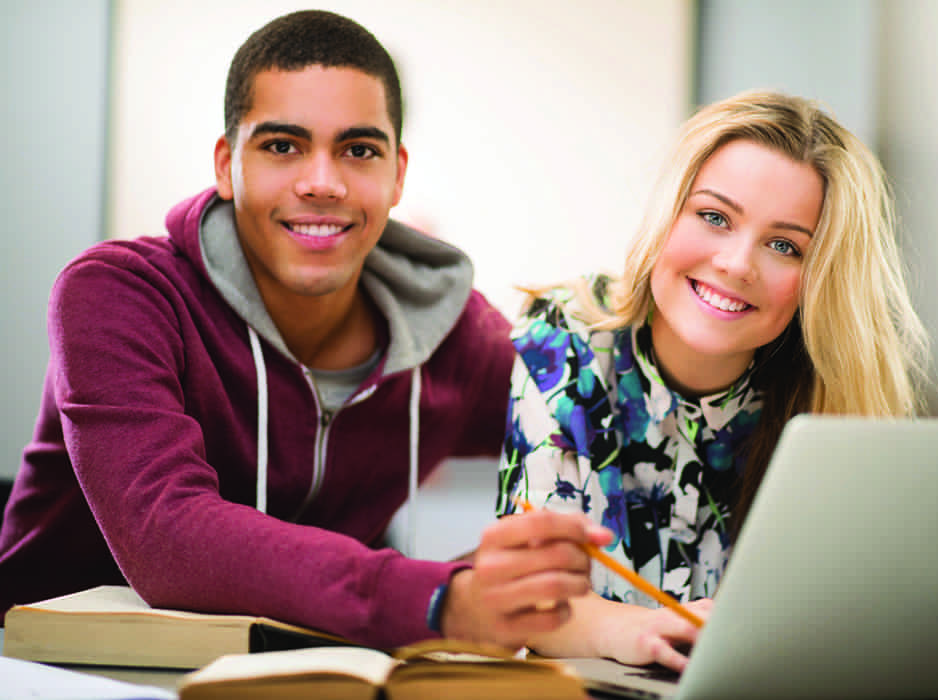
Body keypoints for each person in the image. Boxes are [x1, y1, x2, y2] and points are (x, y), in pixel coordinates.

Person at [0, 9, 611, 651]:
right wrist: (440, 598)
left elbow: (603, 436)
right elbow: (165, 534)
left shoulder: (457, 342)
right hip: (53, 668)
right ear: (225, 164)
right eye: (282, 146)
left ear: (397, 174)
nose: (321, 182)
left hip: (300, 671)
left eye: (358, 150)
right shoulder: (119, 294)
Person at [496, 90, 932, 671]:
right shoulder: (564, 336)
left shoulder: (830, 401)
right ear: (668, 215)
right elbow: (529, 603)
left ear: (818, 278)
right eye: (714, 217)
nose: (736, 263)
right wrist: (645, 630)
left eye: (784, 245)